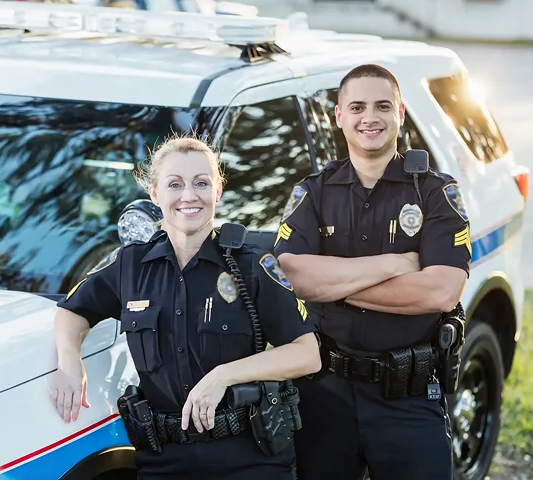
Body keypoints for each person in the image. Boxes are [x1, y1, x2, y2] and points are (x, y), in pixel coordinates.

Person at [49, 136, 321, 479]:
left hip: (249, 458)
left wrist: (224, 376)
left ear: (217, 191)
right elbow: (72, 310)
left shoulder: (251, 264)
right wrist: (69, 361)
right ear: (154, 193)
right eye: (175, 184)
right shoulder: (130, 265)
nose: (189, 196)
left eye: (201, 183)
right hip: (163, 462)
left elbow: (308, 353)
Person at [274, 64, 471, 480]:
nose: (370, 118)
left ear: (400, 113)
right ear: (338, 116)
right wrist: (392, 265)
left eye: (383, 106)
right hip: (323, 394)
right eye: (357, 106)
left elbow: (440, 291)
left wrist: (332, 286)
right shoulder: (314, 191)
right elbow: (293, 273)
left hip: (409, 396)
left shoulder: (436, 193)